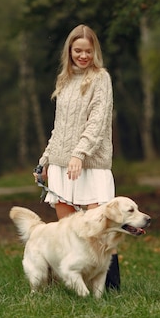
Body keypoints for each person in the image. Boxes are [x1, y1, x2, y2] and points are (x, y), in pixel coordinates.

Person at [35, 24, 120, 290]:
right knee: (69, 230)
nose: (83, 56)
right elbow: (59, 128)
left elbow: (97, 121)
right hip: (62, 166)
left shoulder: (100, 78)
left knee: (101, 229)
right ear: (69, 51)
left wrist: (79, 154)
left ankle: (110, 289)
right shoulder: (64, 80)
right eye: (77, 51)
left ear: (95, 51)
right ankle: (73, 284)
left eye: (88, 51)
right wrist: (45, 160)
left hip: (90, 165)